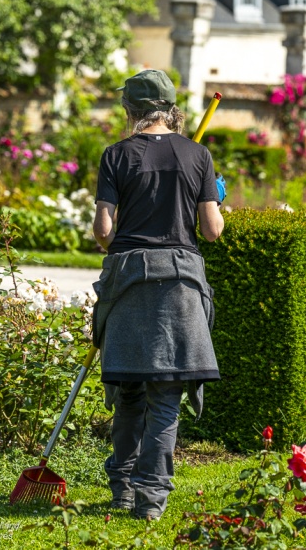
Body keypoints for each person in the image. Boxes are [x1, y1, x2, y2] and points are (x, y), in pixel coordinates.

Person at [92, 69, 225, 521]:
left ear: (130, 109)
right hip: (181, 286)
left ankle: (123, 491)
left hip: (129, 283)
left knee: (129, 390)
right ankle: (151, 502)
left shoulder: (115, 155)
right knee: (165, 397)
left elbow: (105, 233)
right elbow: (211, 231)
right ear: (171, 108)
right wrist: (214, 196)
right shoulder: (198, 155)